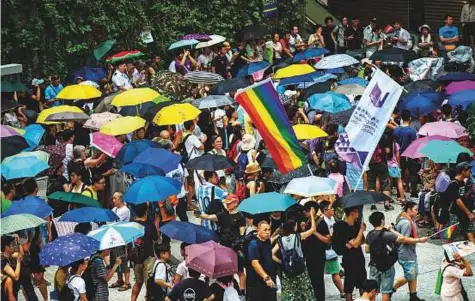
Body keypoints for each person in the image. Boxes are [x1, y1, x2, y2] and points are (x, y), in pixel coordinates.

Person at [366, 212, 427, 301]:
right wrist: (391, 230)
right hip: (387, 266)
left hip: (373, 265)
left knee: (372, 290)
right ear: (382, 220)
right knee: (386, 291)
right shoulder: (387, 234)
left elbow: (367, 250)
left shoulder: (370, 234)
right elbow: (402, 238)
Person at [271, 207, 316, 301]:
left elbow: (271, 254)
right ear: (294, 227)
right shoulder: (298, 236)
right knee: (305, 292)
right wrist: (312, 215)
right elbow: (313, 229)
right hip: (300, 269)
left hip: (287, 270)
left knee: (290, 293)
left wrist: (281, 261)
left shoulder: (280, 240)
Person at [393, 201, 428, 301]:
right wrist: (419, 240)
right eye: (415, 209)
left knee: (414, 273)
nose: (417, 212)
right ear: (408, 210)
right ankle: (391, 288)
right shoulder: (406, 223)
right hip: (405, 253)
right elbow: (404, 239)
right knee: (410, 275)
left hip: (411, 252)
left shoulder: (408, 219)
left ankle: (413, 296)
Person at [333, 206, 367, 301]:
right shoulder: (341, 226)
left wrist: (360, 233)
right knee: (349, 285)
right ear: (352, 213)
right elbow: (355, 244)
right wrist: (360, 231)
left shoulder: (357, 224)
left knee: (362, 282)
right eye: (356, 212)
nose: (358, 214)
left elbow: (362, 241)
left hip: (359, 257)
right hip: (349, 258)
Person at [131, 203, 159, 301]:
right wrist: (156, 223)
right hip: (148, 256)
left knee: (138, 282)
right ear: (146, 211)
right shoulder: (148, 224)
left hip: (136, 258)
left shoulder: (132, 223)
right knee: (149, 283)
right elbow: (156, 238)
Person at [318, 201, 345, 299]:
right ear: (325, 211)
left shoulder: (335, 219)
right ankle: (342, 292)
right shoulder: (321, 222)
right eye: (331, 208)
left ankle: (342, 291)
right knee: (335, 271)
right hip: (326, 250)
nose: (333, 210)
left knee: (335, 270)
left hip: (334, 248)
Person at [444, 162, 475, 242]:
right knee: (451, 236)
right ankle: (449, 252)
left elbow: (463, 197)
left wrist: (470, 191)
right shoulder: (453, 184)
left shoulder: (462, 182)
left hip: (464, 213)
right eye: (468, 170)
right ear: (462, 171)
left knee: (470, 233)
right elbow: (458, 200)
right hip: (456, 213)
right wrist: (469, 213)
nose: (470, 172)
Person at [247, 220, 277, 301]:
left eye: (269, 229)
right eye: (265, 230)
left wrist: (277, 235)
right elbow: (255, 263)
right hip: (257, 282)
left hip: (269, 280)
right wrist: (266, 278)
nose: (268, 232)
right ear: (258, 230)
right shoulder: (254, 244)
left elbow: (270, 240)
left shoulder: (267, 241)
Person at [394, 110, 418, 199]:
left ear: (401, 118)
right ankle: (413, 192)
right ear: (410, 118)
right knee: (413, 173)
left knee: (399, 174)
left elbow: (394, 142)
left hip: (398, 155)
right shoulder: (411, 131)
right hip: (410, 154)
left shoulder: (396, 130)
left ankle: (399, 192)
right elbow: (414, 144)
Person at [109, 192, 131, 291]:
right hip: (113, 238)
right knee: (114, 259)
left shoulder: (125, 210)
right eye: (113, 198)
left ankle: (127, 282)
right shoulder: (114, 209)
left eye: (115, 198)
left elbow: (114, 222)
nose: (113, 200)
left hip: (122, 238)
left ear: (120, 199)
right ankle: (119, 280)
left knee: (123, 260)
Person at [1, 235, 22, 301]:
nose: (13, 247)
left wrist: (18, 243)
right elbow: (16, 277)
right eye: (12, 245)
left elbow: (20, 254)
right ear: (7, 247)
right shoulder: (3, 261)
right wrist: (18, 262)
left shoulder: (7, 256)